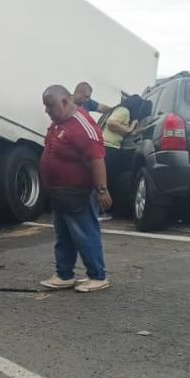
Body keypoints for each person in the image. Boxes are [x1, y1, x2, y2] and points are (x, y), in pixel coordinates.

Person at [39, 85, 112, 293]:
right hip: (60, 192)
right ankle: (64, 274)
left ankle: (97, 276)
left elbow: (97, 159)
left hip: (78, 192)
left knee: (85, 233)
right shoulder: (58, 123)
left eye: (50, 106)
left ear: (65, 102)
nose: (47, 110)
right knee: (63, 234)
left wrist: (102, 190)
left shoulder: (82, 125)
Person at [99, 95, 142, 220]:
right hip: (109, 147)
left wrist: (131, 129)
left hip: (104, 146)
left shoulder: (116, 110)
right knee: (108, 180)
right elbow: (111, 123)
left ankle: (101, 210)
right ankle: (104, 211)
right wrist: (128, 129)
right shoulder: (124, 111)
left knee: (104, 179)